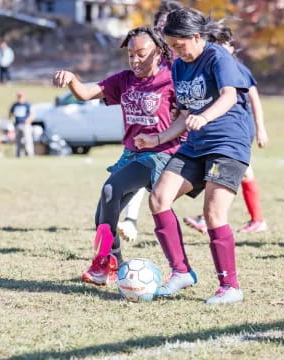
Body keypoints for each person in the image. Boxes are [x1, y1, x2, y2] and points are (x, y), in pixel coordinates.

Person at [134, 8, 252, 305]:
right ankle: (181, 271)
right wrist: (157, 139)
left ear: (197, 36)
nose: (174, 51)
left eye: (179, 45)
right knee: (159, 198)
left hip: (228, 143)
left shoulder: (217, 57)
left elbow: (229, 95)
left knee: (213, 213)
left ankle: (230, 286)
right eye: (170, 46)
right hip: (195, 145)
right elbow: (185, 114)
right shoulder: (178, 65)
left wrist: (205, 117)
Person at [53, 27, 179, 286]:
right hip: (131, 153)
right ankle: (115, 264)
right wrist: (73, 79)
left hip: (159, 154)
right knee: (102, 214)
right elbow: (86, 94)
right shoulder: (124, 79)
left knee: (111, 189)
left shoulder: (172, 79)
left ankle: (104, 264)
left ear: (158, 53)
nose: (134, 61)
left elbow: (189, 113)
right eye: (130, 55)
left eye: (141, 54)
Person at [182, 25, 269, 234]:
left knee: (227, 171)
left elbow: (253, 97)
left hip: (237, 130)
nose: (219, 49)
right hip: (218, 131)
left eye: (223, 45)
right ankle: (251, 219)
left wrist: (260, 128)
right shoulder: (209, 67)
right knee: (230, 172)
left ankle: (253, 219)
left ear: (232, 48)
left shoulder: (236, 68)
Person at [116, 0, 185, 243]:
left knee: (165, 191)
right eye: (160, 25)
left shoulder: (182, 59)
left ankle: (207, 219)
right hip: (150, 133)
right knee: (136, 169)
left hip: (180, 134)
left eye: (168, 25)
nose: (163, 30)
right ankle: (131, 220)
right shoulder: (146, 56)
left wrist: (182, 108)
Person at [9, 91, 35, 157]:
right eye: (19, 96)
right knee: (18, 141)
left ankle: (30, 154)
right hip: (17, 125)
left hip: (25, 125)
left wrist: (28, 121)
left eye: (21, 96)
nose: (20, 98)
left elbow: (32, 115)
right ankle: (18, 155)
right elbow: (10, 114)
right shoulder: (15, 105)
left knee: (28, 140)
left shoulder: (27, 105)